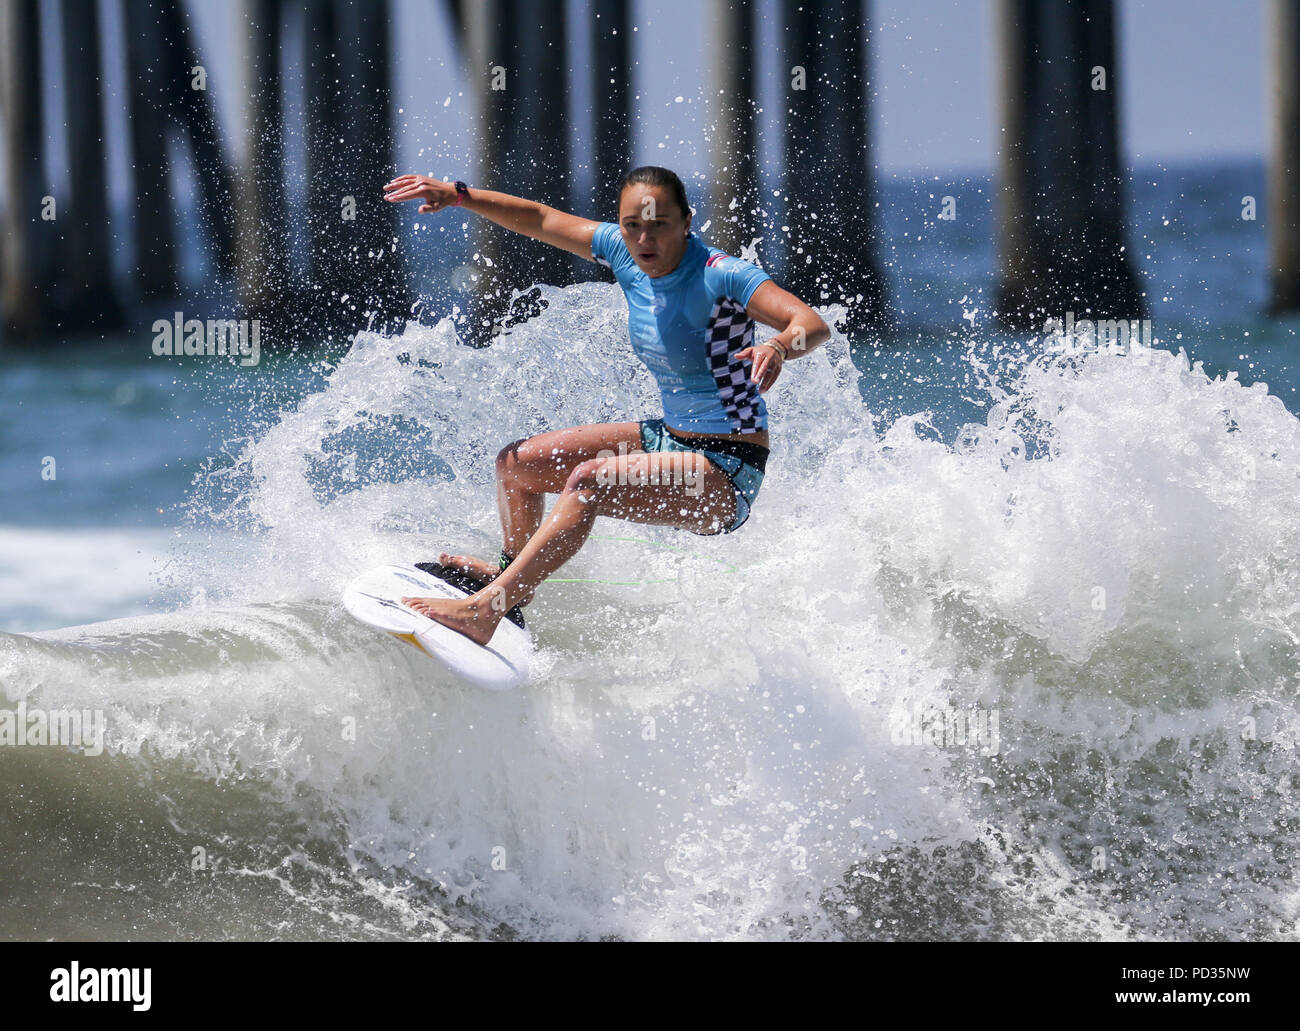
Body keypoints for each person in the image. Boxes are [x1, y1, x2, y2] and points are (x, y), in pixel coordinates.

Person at [381, 166, 830, 645]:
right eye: (632, 224)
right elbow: (538, 217)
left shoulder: (722, 275)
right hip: (670, 438)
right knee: (518, 464)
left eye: (658, 224)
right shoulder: (622, 251)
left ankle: (486, 607)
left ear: (686, 222)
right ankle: (512, 581)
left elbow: (810, 323)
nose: (643, 238)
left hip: (725, 470)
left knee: (589, 481)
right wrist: (459, 195)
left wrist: (779, 346)